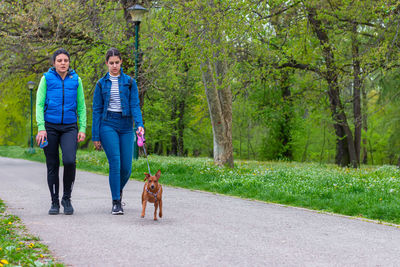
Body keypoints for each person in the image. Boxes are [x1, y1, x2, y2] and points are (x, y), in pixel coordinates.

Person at [92, 47, 144, 215]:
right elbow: (97, 110)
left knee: (127, 168)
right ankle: (116, 201)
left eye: (117, 62)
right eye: (111, 63)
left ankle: (117, 190)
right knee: (115, 162)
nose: (114, 66)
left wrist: (139, 124)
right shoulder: (101, 84)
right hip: (108, 124)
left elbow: (135, 104)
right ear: (107, 63)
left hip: (126, 125)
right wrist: (96, 135)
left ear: (121, 62)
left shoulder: (130, 82)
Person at [36, 48, 87, 215]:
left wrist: (82, 128)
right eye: (59, 60)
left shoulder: (76, 80)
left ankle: (66, 198)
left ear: (69, 62)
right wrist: (41, 127)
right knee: (52, 165)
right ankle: (54, 202)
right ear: (54, 63)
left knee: (70, 161)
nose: (63, 63)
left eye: (65, 60)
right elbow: (39, 104)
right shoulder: (46, 79)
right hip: (49, 126)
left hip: (69, 127)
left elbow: (81, 106)